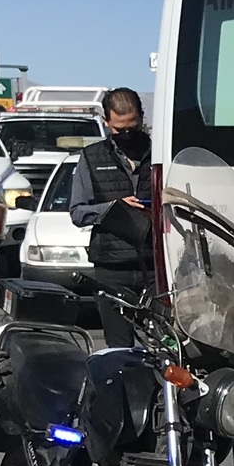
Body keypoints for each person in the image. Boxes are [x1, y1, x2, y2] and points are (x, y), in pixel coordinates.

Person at [68, 88, 153, 348]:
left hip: (156, 267)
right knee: (120, 348)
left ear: (141, 118)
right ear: (106, 123)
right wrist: (113, 208)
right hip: (111, 269)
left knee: (168, 348)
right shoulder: (91, 157)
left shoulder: (160, 152)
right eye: (120, 129)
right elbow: (78, 212)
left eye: (133, 127)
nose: (127, 134)